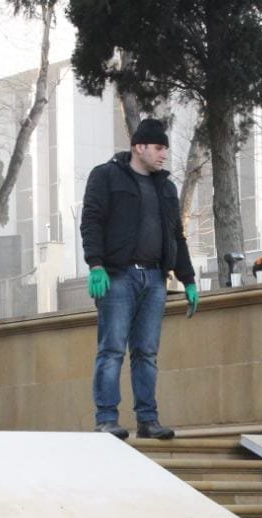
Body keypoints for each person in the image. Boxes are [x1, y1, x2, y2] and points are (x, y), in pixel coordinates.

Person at [81, 117, 197, 441]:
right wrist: (96, 265)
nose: (164, 155)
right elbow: (91, 220)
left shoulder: (166, 188)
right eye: (159, 148)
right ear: (139, 146)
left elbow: (177, 235)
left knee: (146, 352)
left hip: (155, 278)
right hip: (118, 276)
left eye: (166, 149)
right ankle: (106, 419)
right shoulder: (106, 176)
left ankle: (148, 420)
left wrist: (187, 279)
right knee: (112, 348)